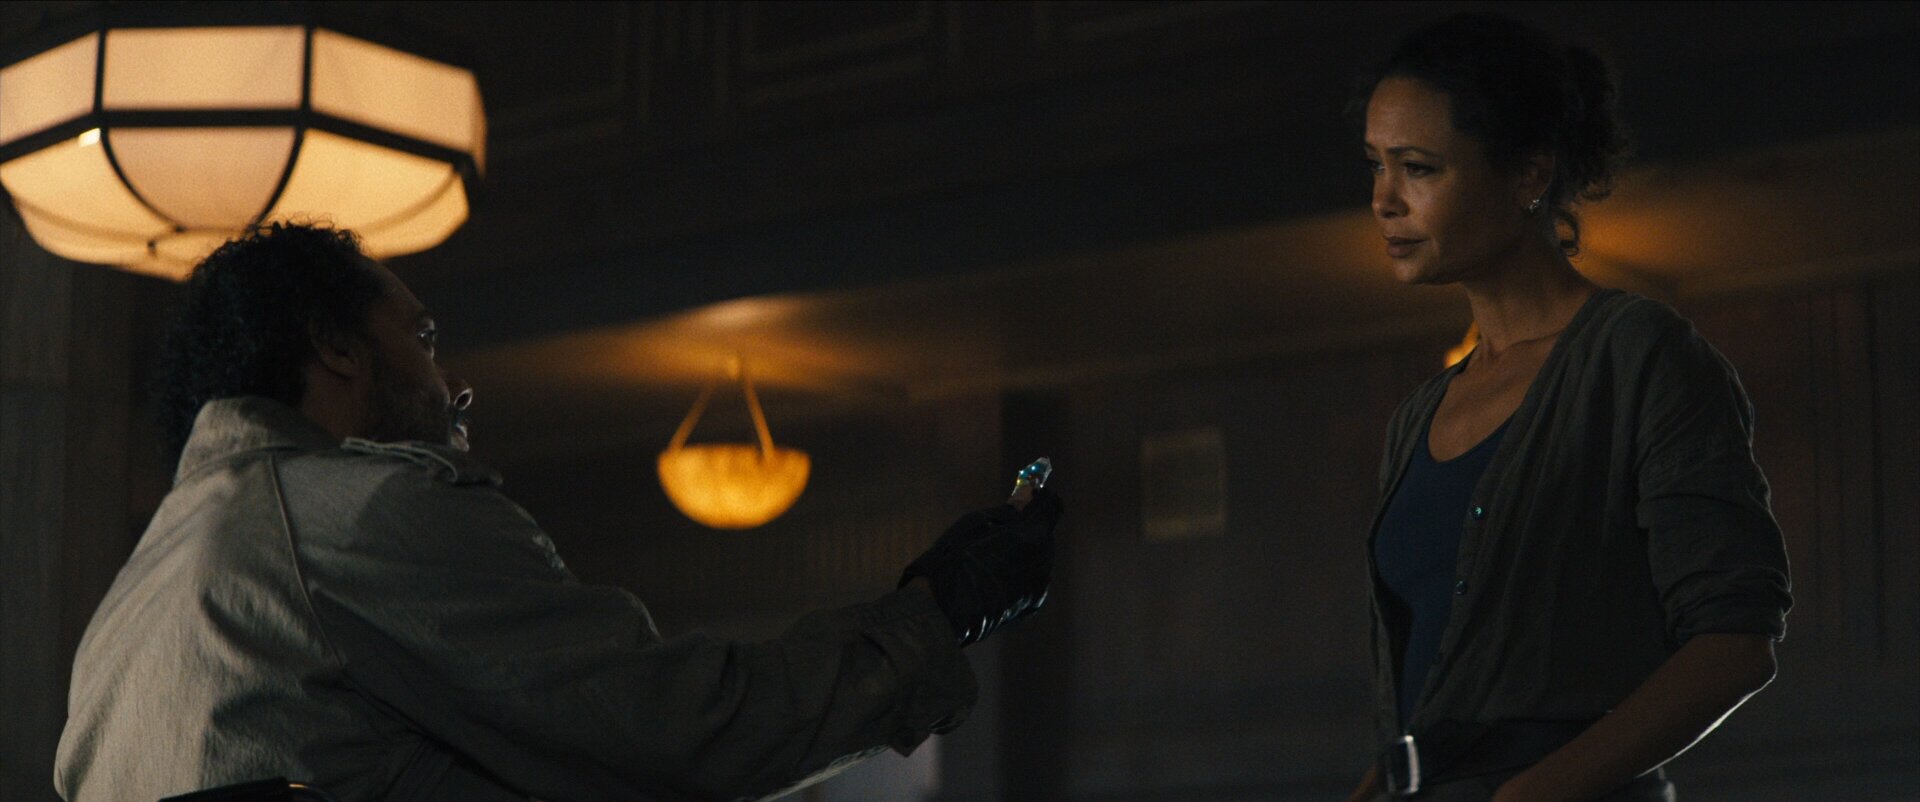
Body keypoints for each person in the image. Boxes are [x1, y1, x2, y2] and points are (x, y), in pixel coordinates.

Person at [53, 222, 1061, 802]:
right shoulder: (358, 514)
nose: (455, 385)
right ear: (338, 349)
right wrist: (937, 613)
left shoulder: (122, 614)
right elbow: (676, 734)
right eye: (424, 338)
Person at [1344, 14, 1791, 802]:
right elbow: (1439, 685)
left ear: (1528, 174)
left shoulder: (1636, 356)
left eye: (1417, 168)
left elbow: (1733, 644)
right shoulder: (1418, 416)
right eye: (1377, 165)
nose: (1384, 200)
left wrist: (1533, 793)